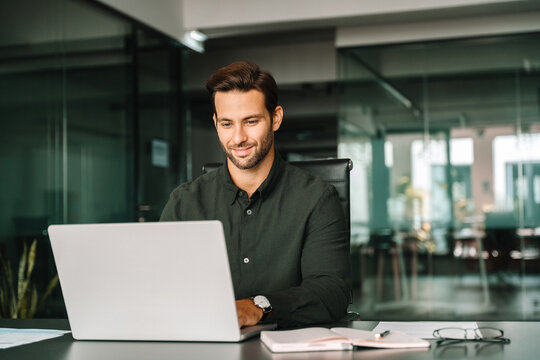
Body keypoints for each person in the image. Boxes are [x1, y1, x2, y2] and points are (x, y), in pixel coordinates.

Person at [160, 61, 350, 328]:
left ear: (275, 118)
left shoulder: (317, 199)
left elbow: (331, 292)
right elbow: (160, 287)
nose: (238, 138)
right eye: (227, 124)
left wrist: (258, 307)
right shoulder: (184, 203)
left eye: (251, 122)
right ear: (215, 123)